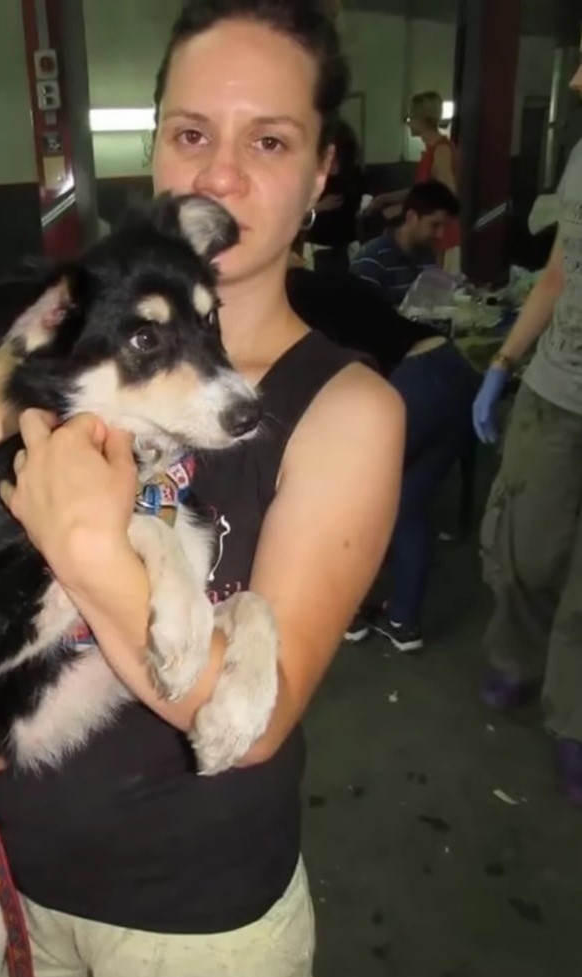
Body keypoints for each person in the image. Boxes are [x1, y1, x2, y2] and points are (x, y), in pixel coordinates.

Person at [0, 2, 405, 974]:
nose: (221, 174)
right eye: (192, 133)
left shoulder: (349, 409)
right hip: (1, 875)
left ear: (323, 173)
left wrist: (92, 546)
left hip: (191, 922)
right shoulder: (64, 341)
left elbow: (252, 720)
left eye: (269, 140)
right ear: (155, 148)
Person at [471, 38, 582, 808]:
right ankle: (514, 653)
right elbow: (556, 271)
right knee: (520, 551)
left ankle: (572, 720)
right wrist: (503, 363)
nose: (574, 79)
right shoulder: (580, 158)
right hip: (554, 394)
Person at [288, 267, 479, 651]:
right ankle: (402, 622)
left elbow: (326, 369)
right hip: (454, 370)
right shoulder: (328, 280)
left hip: (411, 384)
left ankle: (350, 613)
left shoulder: (290, 298)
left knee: (346, 502)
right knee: (407, 504)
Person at [368, 92, 461, 271]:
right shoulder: (431, 151)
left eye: (411, 117)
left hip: (443, 235)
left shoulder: (441, 150)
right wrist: (385, 198)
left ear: (421, 119)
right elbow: (423, 191)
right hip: (433, 233)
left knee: (440, 292)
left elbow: (448, 193)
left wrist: (404, 208)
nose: (409, 121)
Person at [350, 180, 460, 308]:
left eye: (444, 227)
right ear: (411, 217)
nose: (440, 234)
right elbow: (358, 316)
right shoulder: (372, 259)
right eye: (434, 225)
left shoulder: (427, 256)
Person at [304, 118, 365, 274]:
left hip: (346, 245)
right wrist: (319, 208)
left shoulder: (353, 172)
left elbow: (356, 205)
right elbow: (296, 216)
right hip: (316, 246)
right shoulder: (312, 173)